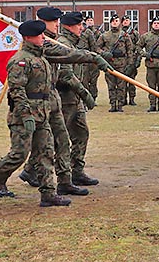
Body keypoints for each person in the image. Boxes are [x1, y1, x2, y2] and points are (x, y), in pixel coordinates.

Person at [0, 20, 71, 208]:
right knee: (19, 154)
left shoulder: (41, 59)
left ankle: (48, 193)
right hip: (23, 116)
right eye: (39, 35)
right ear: (28, 37)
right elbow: (17, 91)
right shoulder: (20, 60)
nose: (43, 38)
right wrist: (26, 115)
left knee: (46, 152)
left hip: (42, 114)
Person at [18, 7, 112, 195]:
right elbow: (66, 68)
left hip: (63, 98)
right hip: (58, 97)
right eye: (55, 22)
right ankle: (21, 173)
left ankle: (69, 177)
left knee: (69, 136)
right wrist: (93, 61)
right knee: (52, 140)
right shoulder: (48, 43)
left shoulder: (56, 41)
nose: (57, 25)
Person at [56, 12, 105, 188]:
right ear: (69, 26)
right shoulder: (62, 44)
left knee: (81, 134)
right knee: (59, 139)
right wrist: (85, 93)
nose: (82, 29)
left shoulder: (73, 43)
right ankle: (33, 170)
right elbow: (65, 75)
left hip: (75, 98)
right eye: (79, 25)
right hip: (65, 98)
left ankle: (76, 171)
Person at [97, 14, 133, 112]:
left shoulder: (125, 35)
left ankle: (120, 105)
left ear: (119, 23)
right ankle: (113, 104)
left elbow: (130, 49)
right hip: (109, 64)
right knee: (111, 86)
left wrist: (130, 64)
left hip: (122, 64)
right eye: (113, 21)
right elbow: (96, 48)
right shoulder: (104, 35)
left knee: (121, 86)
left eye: (116, 21)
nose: (115, 23)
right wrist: (104, 54)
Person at [80, 15, 100, 102]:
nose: (90, 22)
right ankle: (86, 98)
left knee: (93, 81)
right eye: (88, 20)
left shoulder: (92, 32)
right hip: (82, 60)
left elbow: (94, 46)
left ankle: (93, 97)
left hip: (91, 59)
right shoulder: (80, 32)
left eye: (91, 20)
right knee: (84, 80)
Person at [121, 14, 140, 106]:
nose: (125, 22)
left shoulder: (135, 33)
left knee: (132, 81)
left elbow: (138, 46)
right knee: (122, 81)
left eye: (127, 20)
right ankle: (123, 98)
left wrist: (137, 60)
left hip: (132, 59)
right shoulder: (120, 33)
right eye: (124, 21)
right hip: (122, 60)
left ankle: (132, 98)